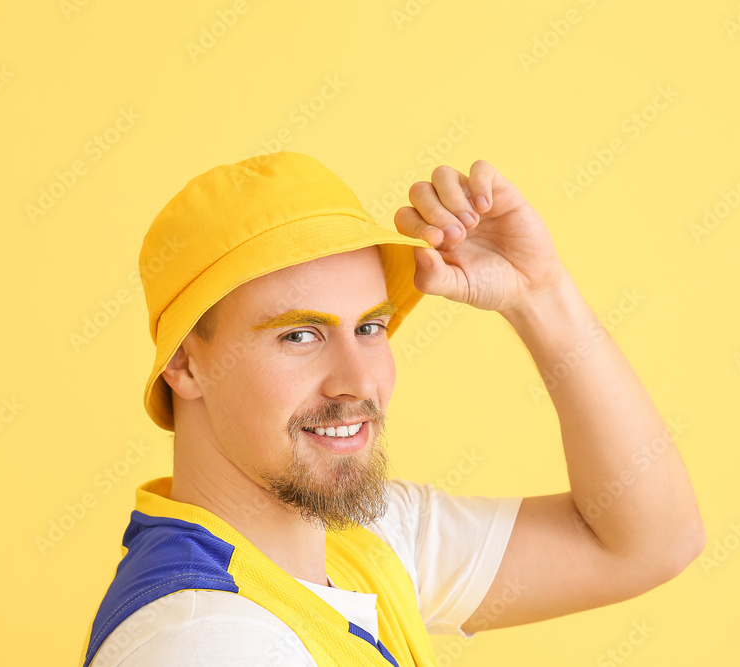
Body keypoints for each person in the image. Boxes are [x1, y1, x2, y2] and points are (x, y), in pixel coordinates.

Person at [77, 151, 705, 666]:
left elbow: (649, 542)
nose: (357, 381)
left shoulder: (361, 543)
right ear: (186, 364)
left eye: (371, 327)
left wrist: (541, 294)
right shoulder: (204, 642)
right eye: (300, 335)